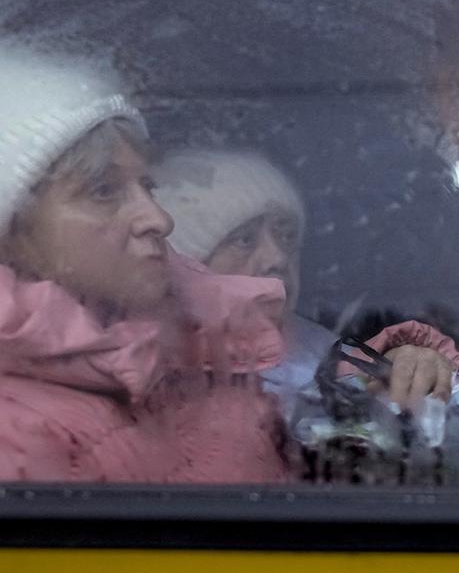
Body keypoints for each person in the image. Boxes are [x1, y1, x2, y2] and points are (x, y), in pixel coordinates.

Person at [0, 45, 291, 482]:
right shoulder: (16, 432)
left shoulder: (184, 349)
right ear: (12, 232)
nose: (160, 219)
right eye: (104, 192)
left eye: (147, 186)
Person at [152, 147, 459, 421]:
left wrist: (413, 374)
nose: (277, 257)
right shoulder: (146, 370)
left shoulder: (322, 350)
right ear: (185, 261)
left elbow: (412, 430)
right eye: (245, 240)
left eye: (287, 236)